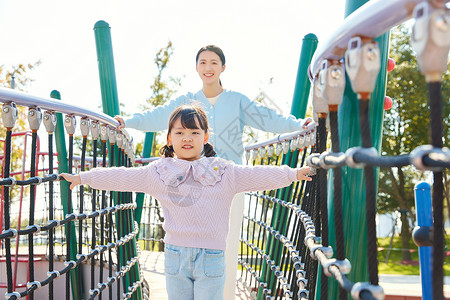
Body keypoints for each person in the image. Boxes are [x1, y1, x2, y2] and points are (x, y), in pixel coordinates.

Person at [114, 45, 313, 299]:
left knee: (224, 247)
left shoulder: (237, 100)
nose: (208, 67)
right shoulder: (186, 103)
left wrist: (297, 124)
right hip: (189, 184)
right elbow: (159, 115)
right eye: (203, 62)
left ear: (222, 68)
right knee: (187, 245)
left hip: (226, 183)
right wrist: (127, 121)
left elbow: (267, 118)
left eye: (214, 62)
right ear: (197, 67)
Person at [61, 105, 311, 300]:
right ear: (169, 138)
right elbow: (123, 176)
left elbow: (257, 175)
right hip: (175, 257)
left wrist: (293, 174)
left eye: (194, 132)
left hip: (212, 257)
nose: (187, 137)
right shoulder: (157, 172)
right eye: (179, 132)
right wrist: (84, 177)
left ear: (205, 137)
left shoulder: (224, 172)